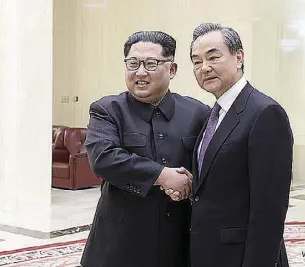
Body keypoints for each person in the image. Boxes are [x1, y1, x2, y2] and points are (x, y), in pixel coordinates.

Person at [80, 30, 209, 267]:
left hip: (178, 239)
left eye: (151, 64)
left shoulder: (198, 113)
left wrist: (188, 184)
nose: (140, 72)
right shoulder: (107, 109)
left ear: (172, 69)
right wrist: (163, 176)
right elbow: (103, 159)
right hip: (120, 242)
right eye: (132, 63)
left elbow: (209, 165)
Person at [187, 23, 293, 267]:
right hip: (209, 252)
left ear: (239, 57)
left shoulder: (265, 113)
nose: (205, 68)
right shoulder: (214, 113)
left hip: (241, 256)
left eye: (214, 57)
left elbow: (269, 210)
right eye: (196, 61)